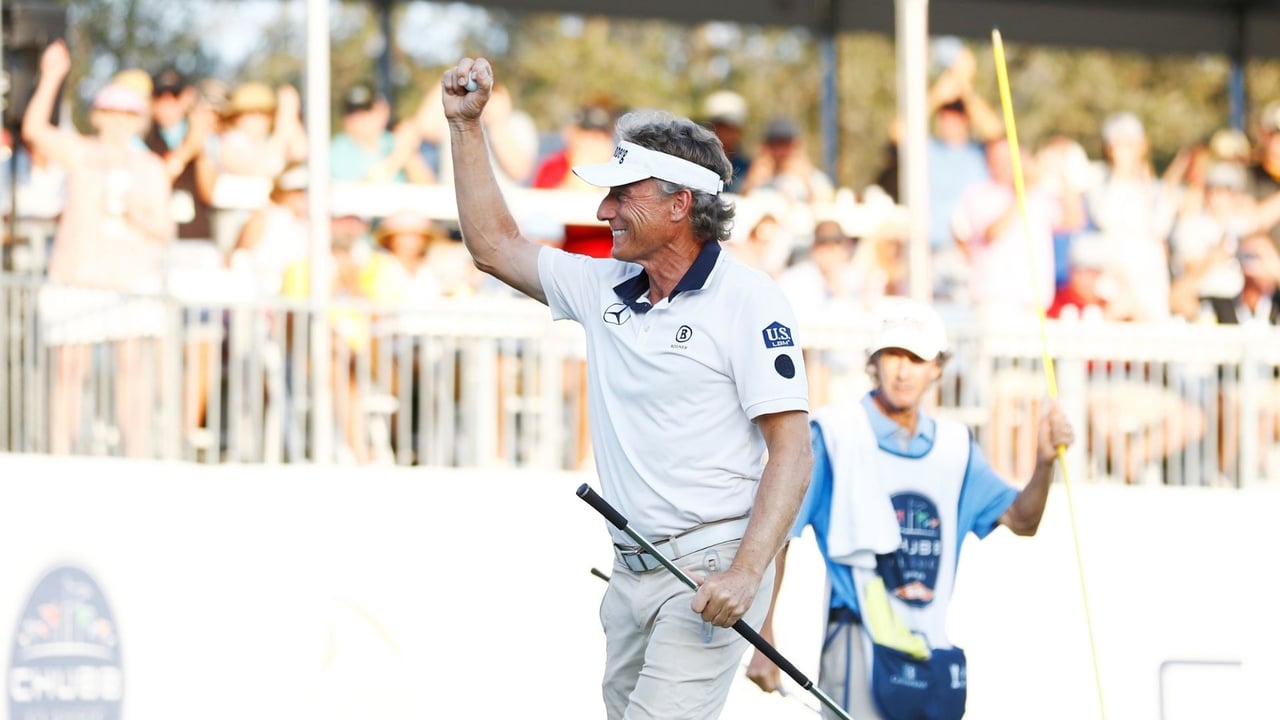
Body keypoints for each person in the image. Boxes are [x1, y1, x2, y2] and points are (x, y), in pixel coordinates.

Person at [442, 57, 814, 720]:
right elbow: (494, 246)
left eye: (622, 195)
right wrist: (465, 127)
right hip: (630, 574)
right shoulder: (601, 285)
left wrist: (747, 574)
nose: (602, 209)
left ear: (680, 204)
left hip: (709, 572)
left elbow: (792, 451)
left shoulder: (751, 301)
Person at [746, 298, 1075, 720]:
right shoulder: (835, 433)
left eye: (916, 358)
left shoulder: (957, 448)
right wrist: (764, 637)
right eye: (893, 355)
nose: (903, 370)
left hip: (930, 649)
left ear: (937, 367)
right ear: (873, 362)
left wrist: (1045, 463)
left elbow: (1022, 521)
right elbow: (779, 537)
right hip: (855, 643)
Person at [23, 40, 175, 457]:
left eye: (129, 113)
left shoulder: (151, 167)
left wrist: (137, 215)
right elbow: (34, 129)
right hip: (77, 277)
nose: (119, 121)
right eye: (112, 111)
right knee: (69, 371)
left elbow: (163, 227)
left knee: (131, 372)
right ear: (98, 115)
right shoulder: (80, 153)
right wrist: (52, 76)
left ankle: (137, 455)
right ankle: (61, 453)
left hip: (128, 282)